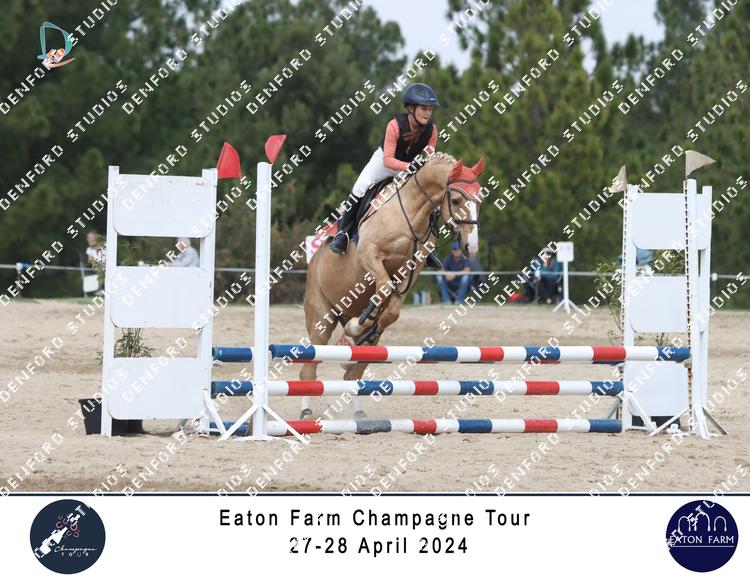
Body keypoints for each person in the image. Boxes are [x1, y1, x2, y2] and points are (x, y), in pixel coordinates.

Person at [329, 83, 442, 268]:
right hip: (384, 163)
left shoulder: (432, 131)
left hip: (410, 167)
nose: (428, 113)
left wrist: (421, 169)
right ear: (411, 108)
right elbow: (388, 160)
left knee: (430, 196)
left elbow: (427, 158)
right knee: (360, 187)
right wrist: (410, 167)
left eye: (430, 109)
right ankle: (343, 234)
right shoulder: (395, 125)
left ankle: (427, 248)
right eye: (424, 108)